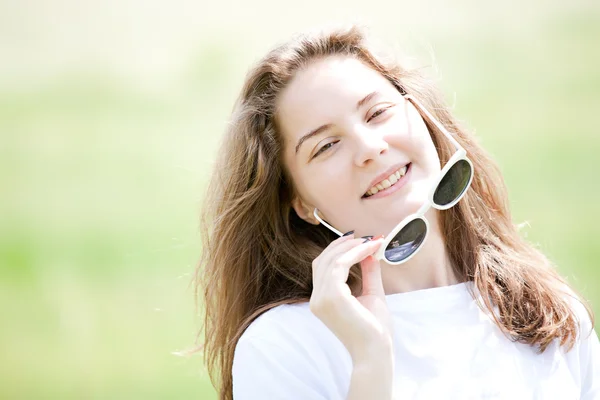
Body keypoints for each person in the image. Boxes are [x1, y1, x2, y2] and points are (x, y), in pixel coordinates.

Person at [194, 25, 599, 399]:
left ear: (422, 115)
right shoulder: (284, 346)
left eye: (377, 112)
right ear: (300, 203)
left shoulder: (548, 311)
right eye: (326, 146)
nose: (370, 147)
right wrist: (371, 362)